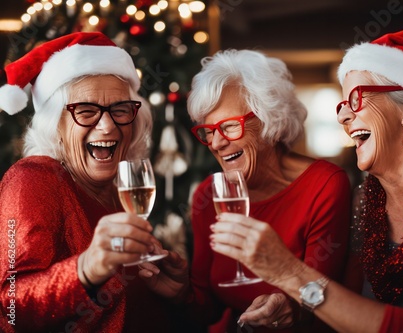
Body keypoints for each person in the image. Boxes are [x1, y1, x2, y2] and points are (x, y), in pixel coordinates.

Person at [207, 29, 403, 332]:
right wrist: (294, 307)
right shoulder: (364, 203)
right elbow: (344, 309)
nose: (343, 116)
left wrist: (290, 273)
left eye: (356, 98)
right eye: (342, 104)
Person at [141, 49, 352, 332]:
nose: (216, 143)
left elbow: (323, 301)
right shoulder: (209, 194)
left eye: (229, 126)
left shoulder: (324, 185)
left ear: (270, 122)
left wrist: (295, 308)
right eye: (209, 130)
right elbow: (207, 310)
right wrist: (182, 292)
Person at [0, 32, 177, 332]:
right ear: (55, 124)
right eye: (85, 111)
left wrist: (180, 296)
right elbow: (12, 307)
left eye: (120, 109)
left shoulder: (123, 187)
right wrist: (86, 269)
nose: (107, 126)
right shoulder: (33, 178)